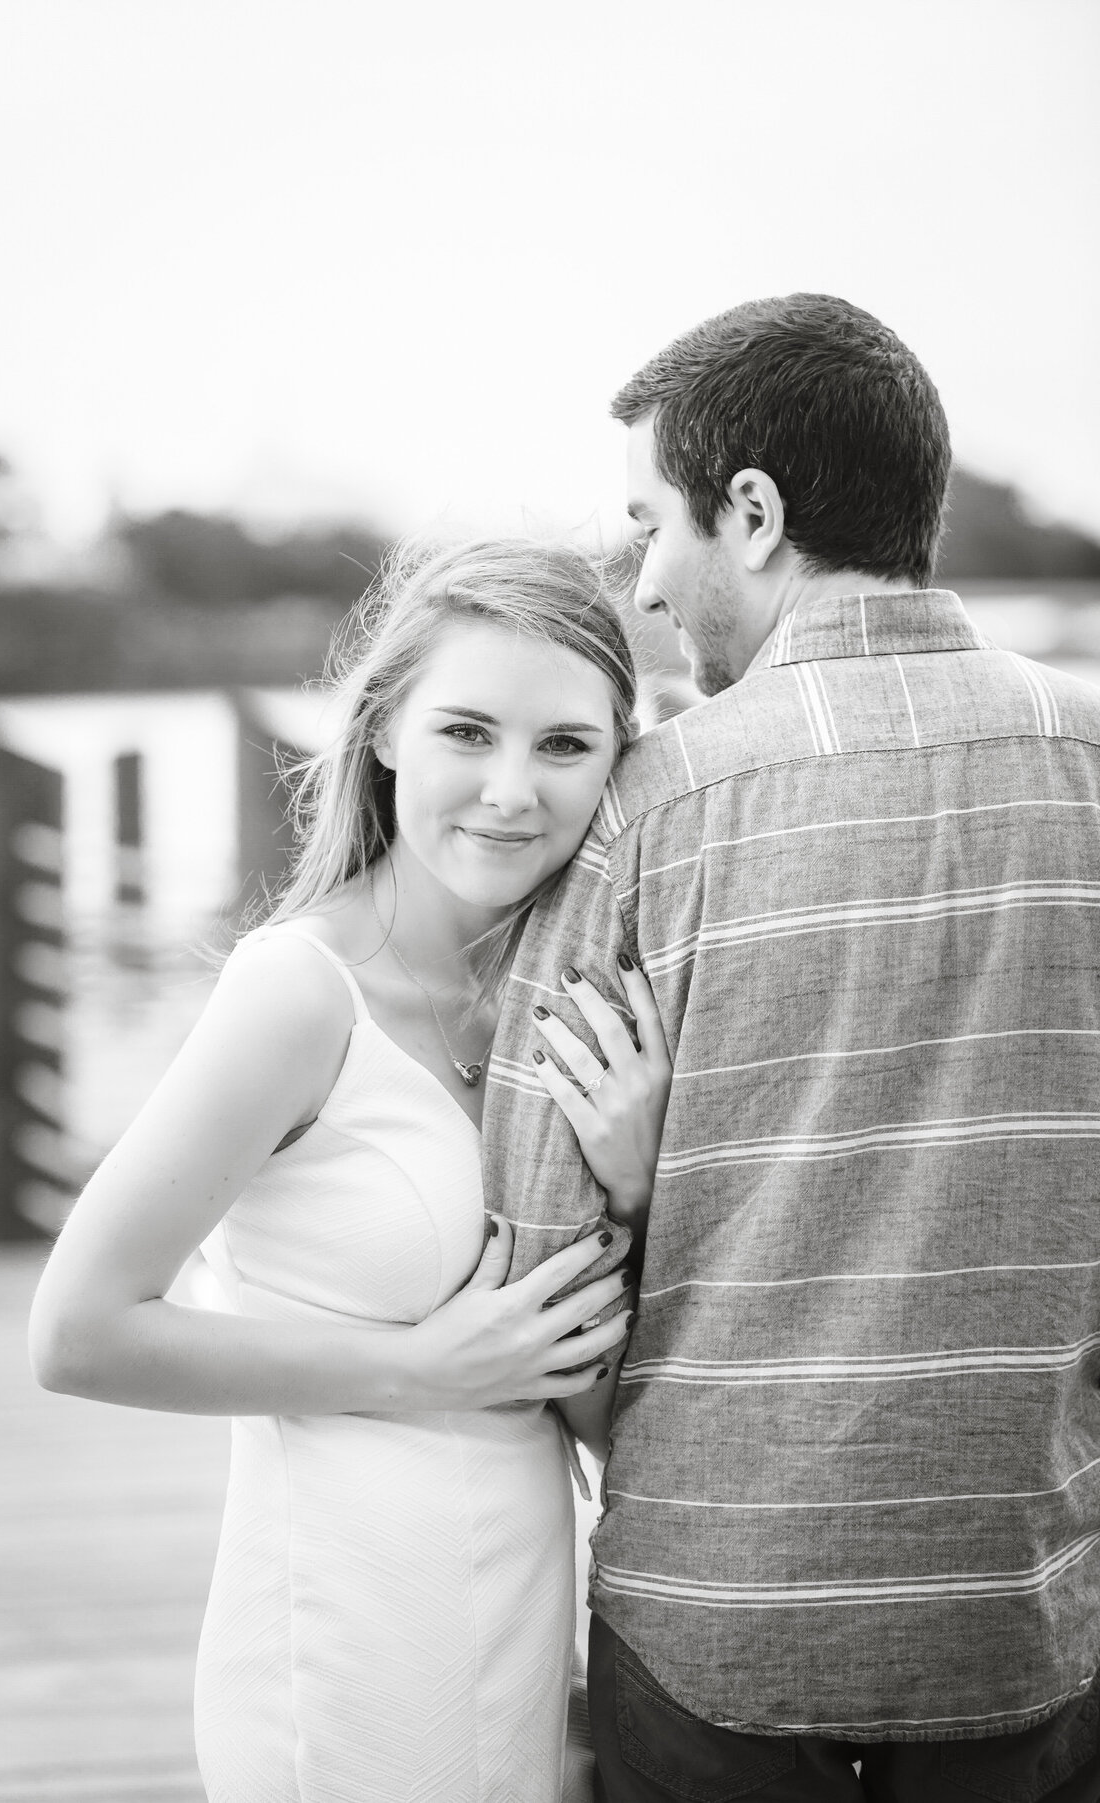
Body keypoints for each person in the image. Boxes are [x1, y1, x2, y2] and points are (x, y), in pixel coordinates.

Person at [484, 295, 1100, 1801]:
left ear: (752, 512)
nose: (643, 586)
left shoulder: (642, 810)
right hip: (1027, 1599)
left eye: (653, 528)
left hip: (715, 1618)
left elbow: (535, 1273)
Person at [28, 537, 673, 1803]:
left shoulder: (583, 1012)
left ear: (618, 763)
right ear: (384, 735)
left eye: (564, 746)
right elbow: (77, 1333)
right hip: (341, 1638)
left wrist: (639, 1186)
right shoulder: (297, 994)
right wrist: (422, 1368)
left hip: (525, 1615)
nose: (509, 791)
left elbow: (605, 1402)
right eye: (467, 733)